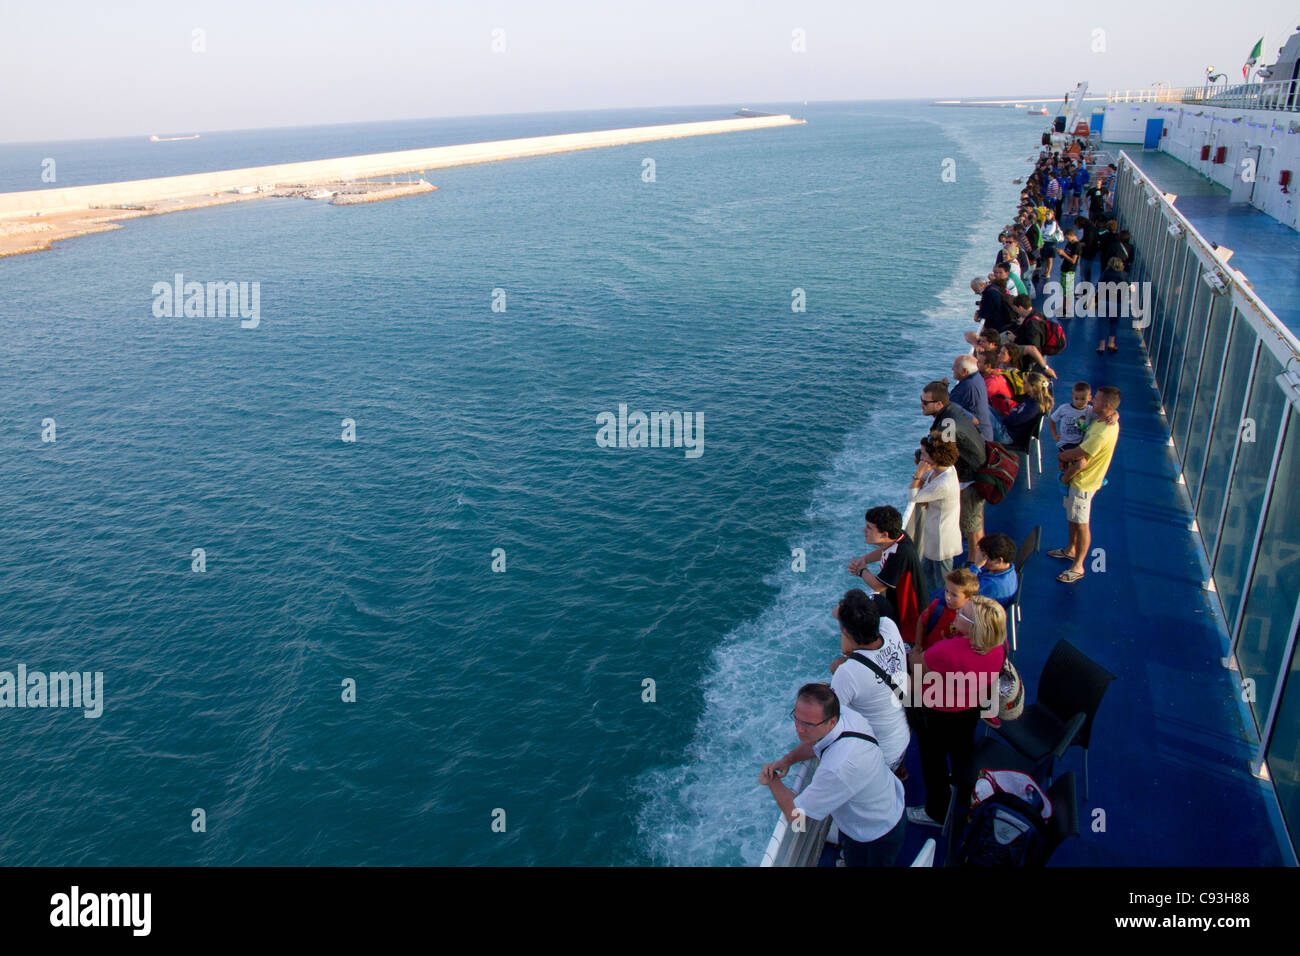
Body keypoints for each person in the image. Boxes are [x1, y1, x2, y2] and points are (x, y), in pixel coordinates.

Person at [759, 684, 907, 866]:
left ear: (831, 721)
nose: (799, 729)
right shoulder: (847, 715)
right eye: (796, 719)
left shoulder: (838, 768)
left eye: (807, 724)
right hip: (884, 804)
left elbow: (797, 816)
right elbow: (817, 742)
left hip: (876, 832)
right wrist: (788, 760)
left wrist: (772, 780)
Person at [905, 596, 1008, 828]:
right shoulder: (999, 648)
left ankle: (937, 812)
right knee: (962, 752)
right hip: (969, 709)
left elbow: (918, 673)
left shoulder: (944, 651)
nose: (958, 611)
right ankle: (965, 795)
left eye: (963, 613)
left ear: (973, 627)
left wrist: (913, 659)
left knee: (934, 762)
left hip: (937, 713)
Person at [828, 589, 911, 770]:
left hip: (879, 756)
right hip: (902, 738)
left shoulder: (847, 673)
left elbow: (829, 722)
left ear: (846, 633)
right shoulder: (889, 626)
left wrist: (836, 670)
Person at [1051, 386, 1121, 584]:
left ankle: (1078, 566)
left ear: (1106, 405)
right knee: (1073, 517)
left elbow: (1079, 454)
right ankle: (1070, 549)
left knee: (1082, 524)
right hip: (1078, 480)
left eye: (1096, 400)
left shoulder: (1102, 432)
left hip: (1084, 483)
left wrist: (1062, 456)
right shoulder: (1104, 419)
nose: (1092, 402)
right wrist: (1116, 414)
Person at [922, 382, 988, 559]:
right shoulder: (953, 411)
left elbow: (941, 453)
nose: (921, 404)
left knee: (971, 524)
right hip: (975, 471)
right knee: (975, 520)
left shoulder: (947, 422)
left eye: (925, 402)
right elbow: (974, 422)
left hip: (970, 478)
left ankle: (975, 564)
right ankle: (979, 558)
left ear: (939, 404)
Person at [848, 505, 927, 636]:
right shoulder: (899, 538)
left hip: (909, 611)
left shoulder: (901, 554)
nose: (864, 530)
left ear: (885, 534)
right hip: (902, 603)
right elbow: (883, 550)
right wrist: (864, 559)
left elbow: (878, 586)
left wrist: (861, 571)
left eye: (869, 528)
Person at [907, 436, 963, 596]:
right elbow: (926, 483)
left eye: (924, 454)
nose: (921, 457)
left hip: (941, 543)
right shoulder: (946, 470)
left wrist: (918, 473)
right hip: (934, 538)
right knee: (925, 579)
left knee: (944, 585)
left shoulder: (943, 483)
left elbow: (913, 496)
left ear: (935, 457)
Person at [915, 567, 980, 650]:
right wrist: (918, 644)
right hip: (925, 653)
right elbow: (922, 620)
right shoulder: (938, 605)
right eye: (947, 591)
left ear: (969, 598)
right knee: (916, 663)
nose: (948, 597)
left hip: (946, 660)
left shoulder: (971, 618)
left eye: (954, 595)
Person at [965, 533, 1019, 607]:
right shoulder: (1006, 568)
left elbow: (963, 591)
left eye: (984, 556)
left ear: (999, 560)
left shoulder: (993, 586)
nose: (982, 559)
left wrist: (976, 566)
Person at [948, 354, 993, 442]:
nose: (952, 369)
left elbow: (948, 405)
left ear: (965, 372)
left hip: (979, 438)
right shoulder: (976, 378)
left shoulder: (968, 386)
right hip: (984, 433)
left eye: (955, 367)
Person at [1001, 371, 1051, 449]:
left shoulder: (1034, 406)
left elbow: (1014, 420)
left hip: (1007, 435)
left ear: (1033, 387)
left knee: (984, 414)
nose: (1022, 384)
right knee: (986, 409)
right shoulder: (1030, 398)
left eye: (1024, 383)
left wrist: (1011, 413)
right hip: (1007, 428)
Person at [1049, 382, 1095, 451]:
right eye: (1076, 398)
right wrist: (1054, 435)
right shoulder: (1064, 408)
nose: (1079, 402)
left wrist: (1115, 415)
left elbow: (1104, 414)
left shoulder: (1090, 410)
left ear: (1089, 398)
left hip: (1081, 443)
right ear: (1072, 397)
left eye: (1083, 399)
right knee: (1077, 461)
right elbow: (1052, 420)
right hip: (1065, 443)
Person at [1096, 255, 1128, 354]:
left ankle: (1101, 346)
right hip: (1116, 301)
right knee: (1113, 323)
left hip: (1104, 300)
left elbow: (1098, 286)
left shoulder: (1105, 273)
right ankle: (1111, 344)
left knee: (1102, 323)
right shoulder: (1123, 275)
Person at [1058, 228, 1080, 315]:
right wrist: (1061, 254)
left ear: (1072, 236)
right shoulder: (1069, 244)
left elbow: (1073, 260)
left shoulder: (1076, 246)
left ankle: (1068, 310)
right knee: (1064, 291)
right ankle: (1064, 308)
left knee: (1068, 291)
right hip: (1064, 269)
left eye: (1067, 238)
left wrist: (1064, 254)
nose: (1067, 240)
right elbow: (1066, 254)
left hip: (1070, 270)